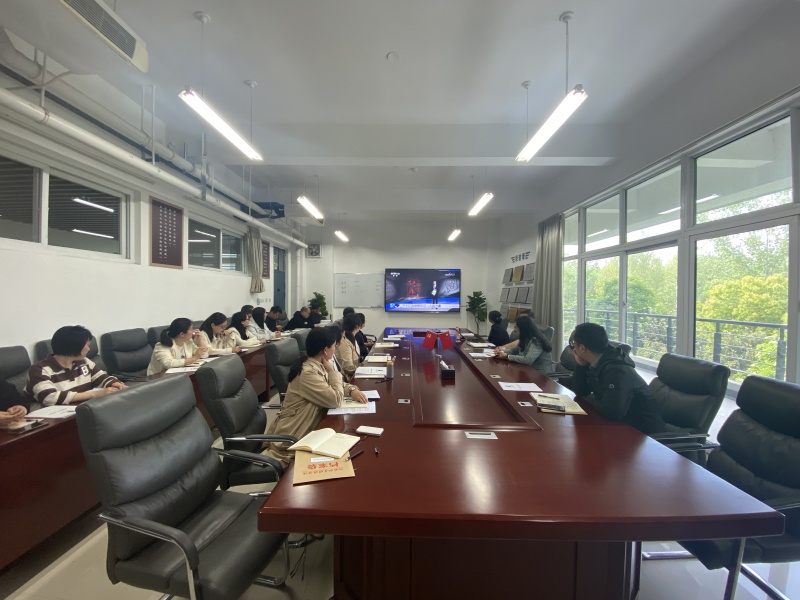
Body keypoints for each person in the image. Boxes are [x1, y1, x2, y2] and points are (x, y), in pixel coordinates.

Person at [261, 328, 367, 468]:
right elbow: (335, 399)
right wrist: (332, 371)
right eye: (334, 346)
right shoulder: (308, 372)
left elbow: (333, 385)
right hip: (295, 434)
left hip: (311, 426)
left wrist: (352, 390)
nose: (335, 349)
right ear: (325, 350)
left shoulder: (316, 363)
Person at [565, 322, 666, 435]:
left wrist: (591, 399)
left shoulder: (617, 370)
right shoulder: (596, 361)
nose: (573, 348)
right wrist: (581, 365)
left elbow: (612, 411)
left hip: (644, 434)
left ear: (582, 348)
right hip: (620, 426)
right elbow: (581, 391)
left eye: (574, 344)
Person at [26, 325, 125, 406]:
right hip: (53, 419)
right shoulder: (39, 369)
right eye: (87, 345)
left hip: (81, 409)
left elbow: (99, 377)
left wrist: (114, 383)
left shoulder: (83, 362)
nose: (89, 349)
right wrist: (94, 394)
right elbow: (48, 398)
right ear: (75, 346)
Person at [336, 313, 361, 381]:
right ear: (357, 326)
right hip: (348, 378)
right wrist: (362, 370)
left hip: (354, 372)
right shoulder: (344, 342)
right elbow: (348, 367)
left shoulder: (351, 337)